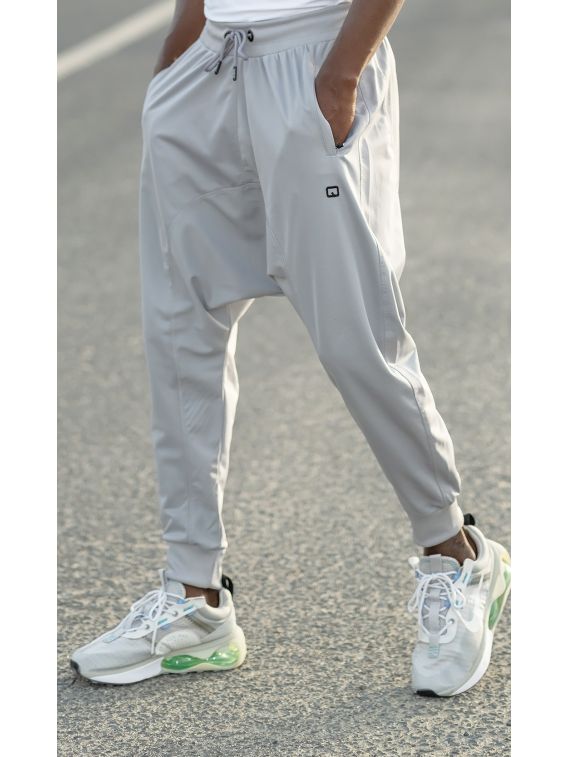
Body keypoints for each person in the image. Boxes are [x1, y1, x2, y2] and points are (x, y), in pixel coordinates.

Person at [70, 0, 510, 696]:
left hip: (317, 59)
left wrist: (342, 74)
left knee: (355, 335)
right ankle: (194, 597)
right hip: (208, 66)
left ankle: (455, 553)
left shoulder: (331, 74)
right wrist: (178, 55)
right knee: (181, 336)